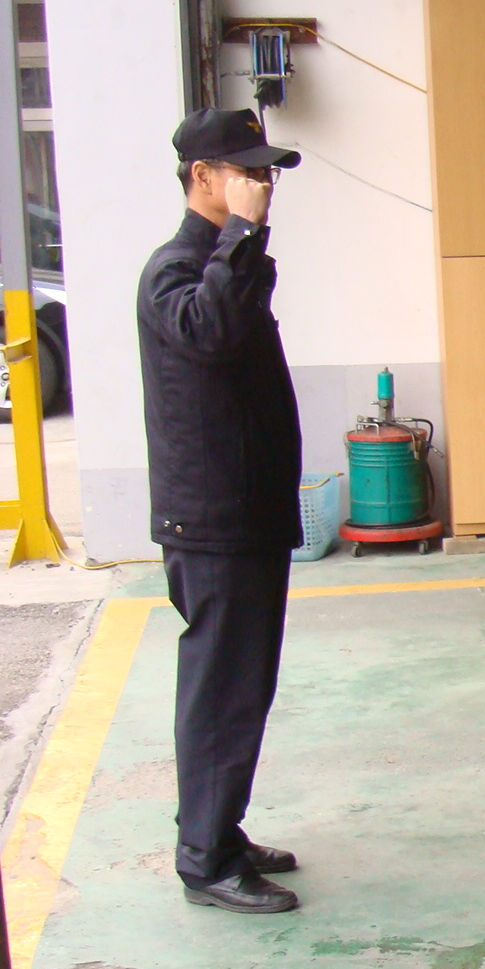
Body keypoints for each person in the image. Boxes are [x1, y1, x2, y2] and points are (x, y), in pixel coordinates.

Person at [138, 109, 306, 915]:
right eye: (247, 171)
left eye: (265, 172)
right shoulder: (174, 270)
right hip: (212, 521)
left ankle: (218, 831)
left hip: (246, 512)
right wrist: (242, 233)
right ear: (202, 176)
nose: (262, 184)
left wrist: (243, 243)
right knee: (221, 691)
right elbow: (208, 332)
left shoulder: (222, 262)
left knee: (243, 685)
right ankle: (205, 861)